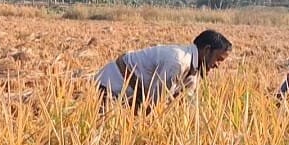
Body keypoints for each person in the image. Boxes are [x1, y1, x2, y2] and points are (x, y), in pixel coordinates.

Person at [94, 29, 233, 114]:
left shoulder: (194, 72)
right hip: (109, 87)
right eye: (218, 59)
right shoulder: (178, 61)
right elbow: (155, 104)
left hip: (130, 97)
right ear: (207, 50)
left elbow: (187, 105)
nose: (217, 66)